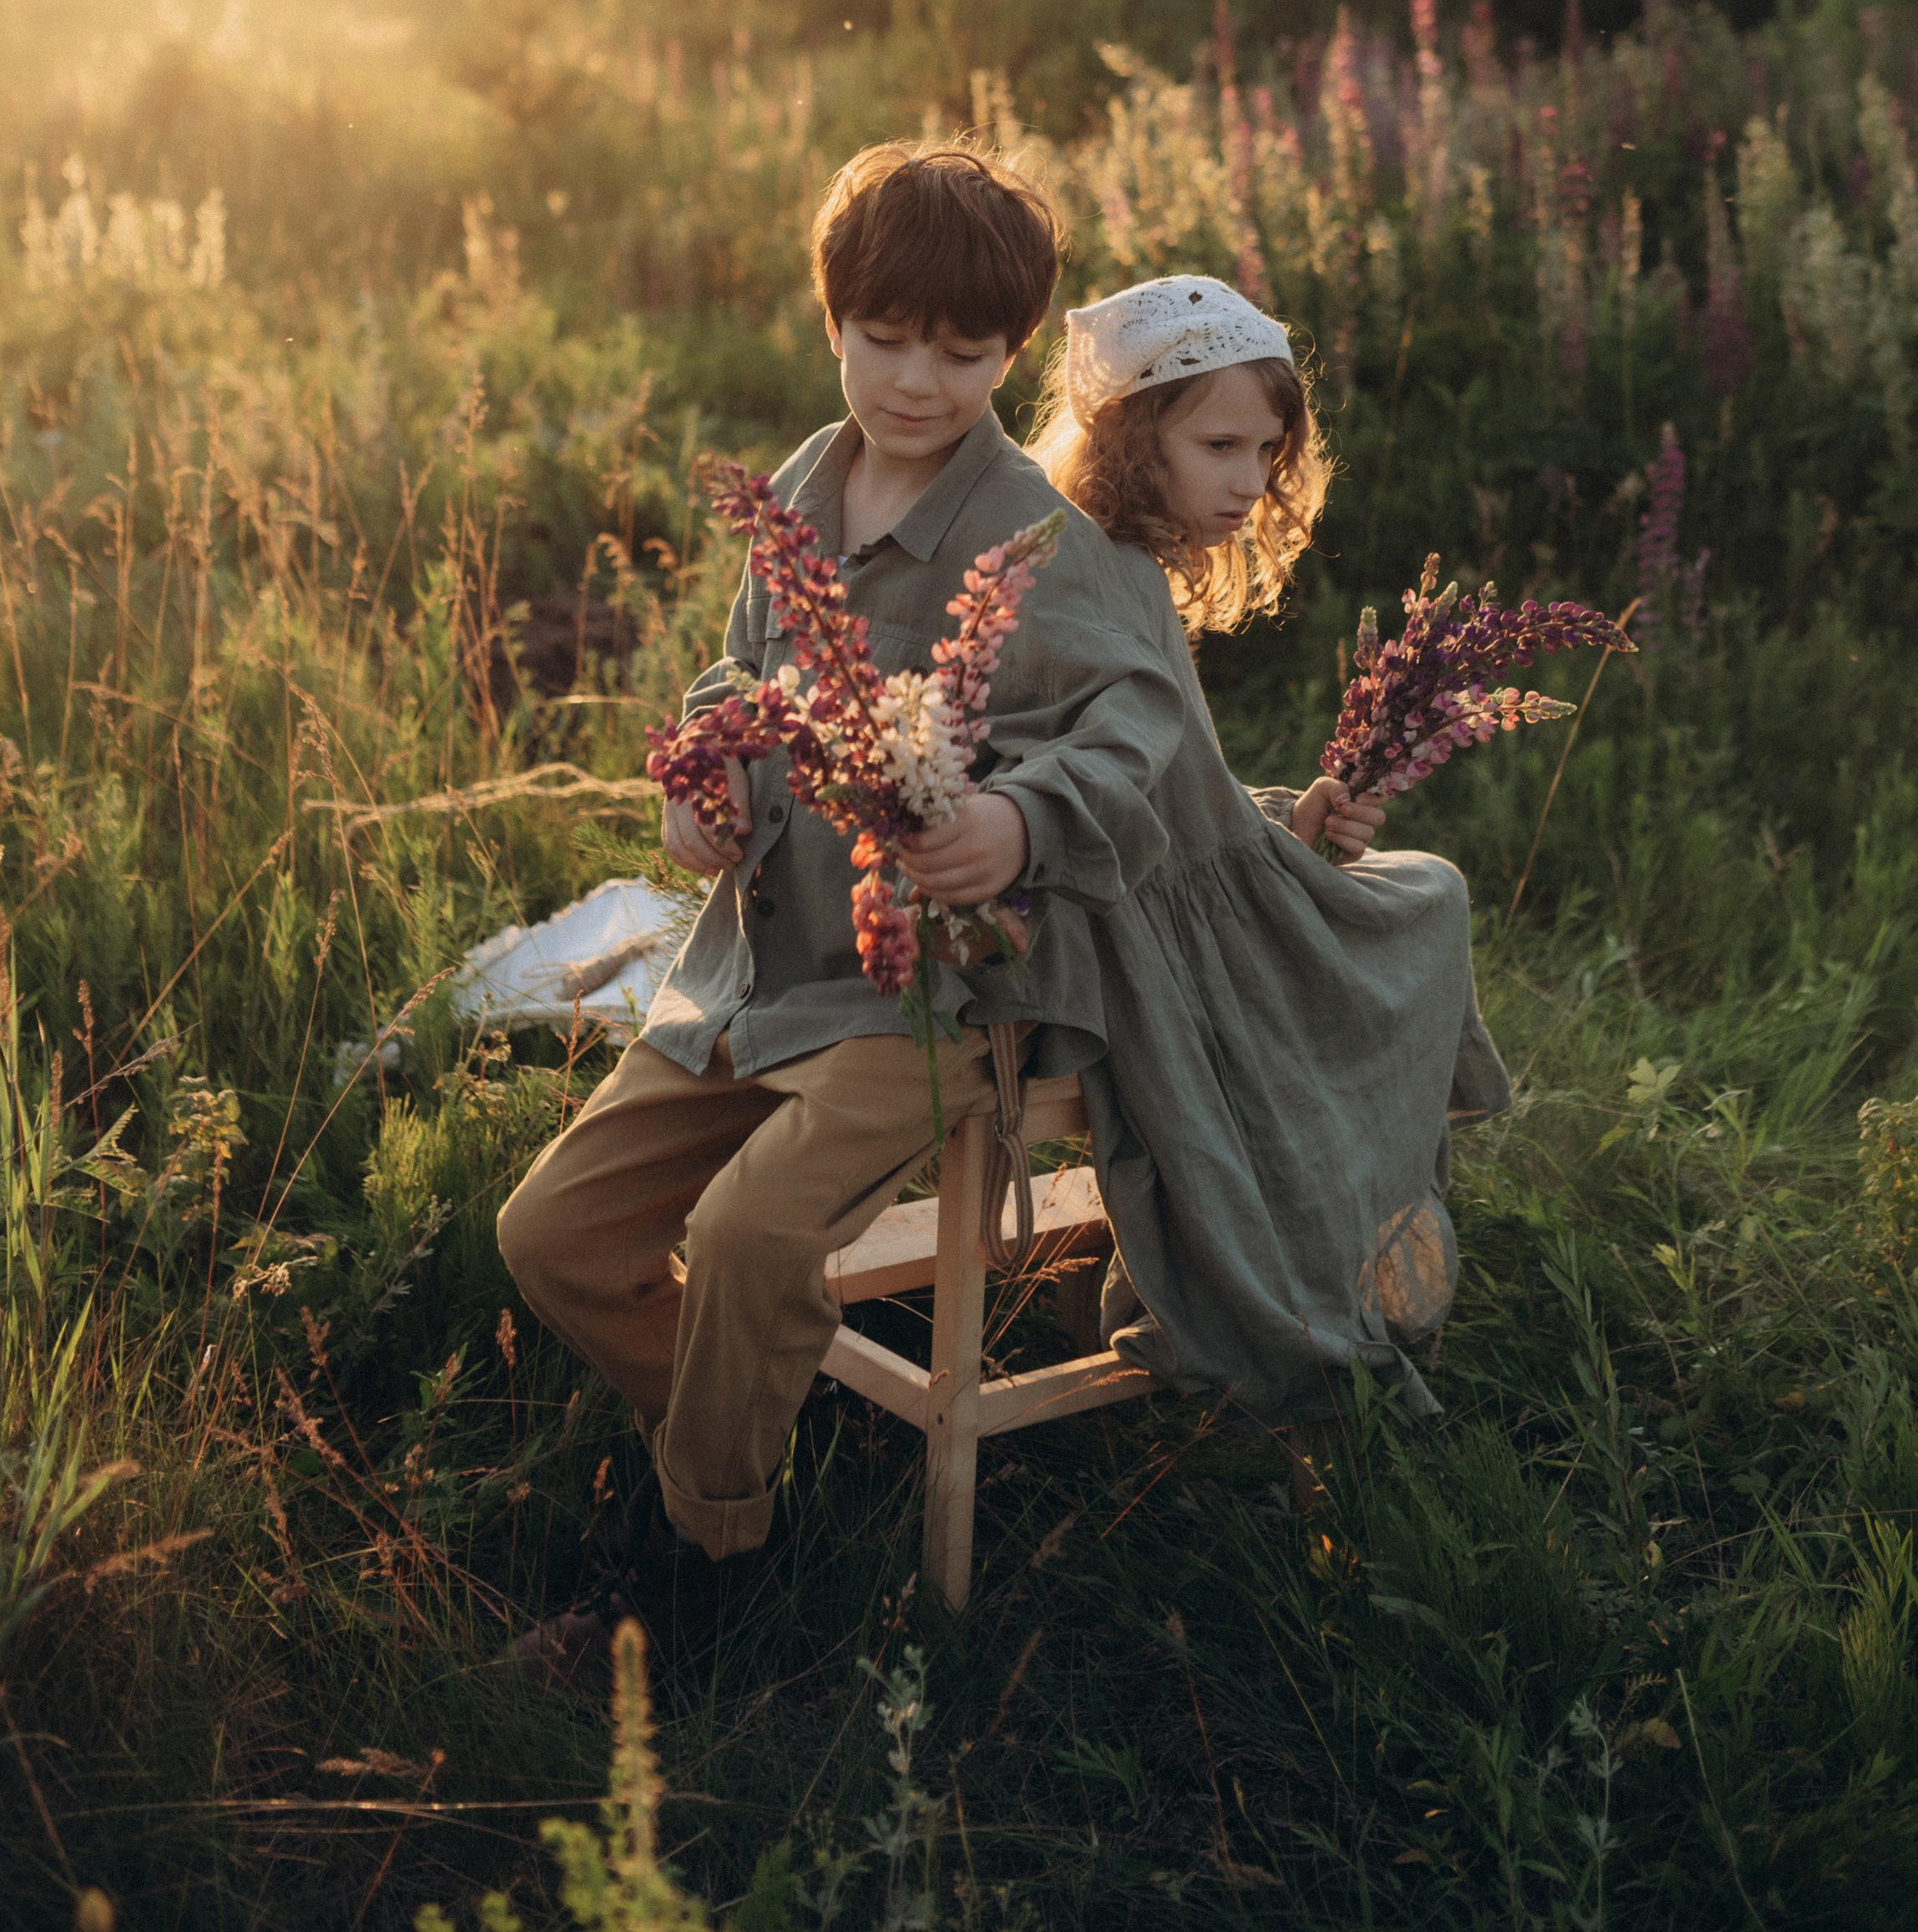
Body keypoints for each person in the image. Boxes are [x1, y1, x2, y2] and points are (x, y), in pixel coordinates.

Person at [497, 140, 1194, 1682]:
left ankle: (696, 1571)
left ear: (1015, 352)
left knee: (750, 1235)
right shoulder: (805, 490)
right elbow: (738, 683)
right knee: (552, 1232)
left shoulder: (1040, 536)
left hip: (937, 991)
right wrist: (704, 777)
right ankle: (750, 1441)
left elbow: (1143, 738)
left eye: (965, 349)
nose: (919, 380)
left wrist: (1019, 816)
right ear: (832, 320)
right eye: (886, 336)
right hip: (762, 957)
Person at [1024, 272, 1511, 1424]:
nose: (1250, 482)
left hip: (1177, 877)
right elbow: (1132, 815)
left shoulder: (1113, 565)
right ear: (1137, 441)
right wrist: (1264, 844)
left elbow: (1174, 790)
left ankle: (1331, 1227)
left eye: (1267, 450)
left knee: (1422, 890)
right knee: (1427, 904)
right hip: (1133, 924)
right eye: (1220, 446)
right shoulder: (1093, 577)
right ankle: (1324, 1250)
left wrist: (1285, 821)